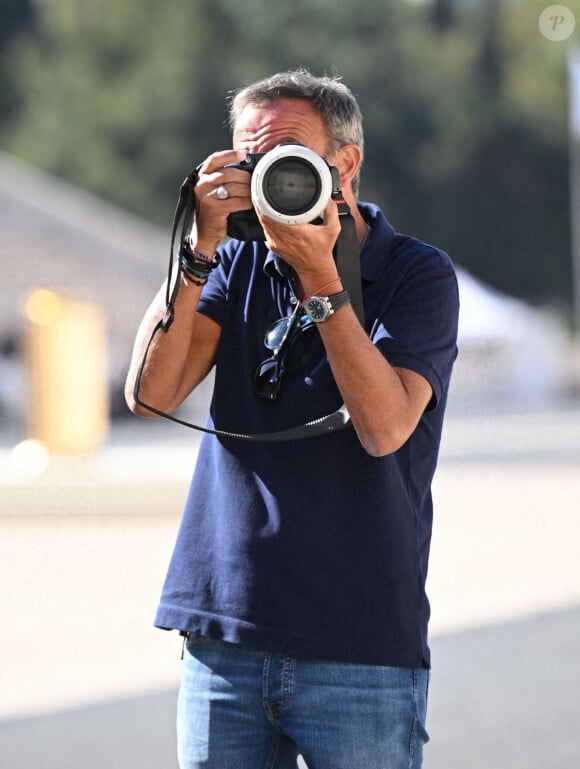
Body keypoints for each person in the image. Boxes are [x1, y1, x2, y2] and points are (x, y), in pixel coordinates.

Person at [125, 69, 459, 769]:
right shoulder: (234, 260)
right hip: (226, 636)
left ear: (347, 162)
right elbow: (151, 394)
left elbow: (385, 427)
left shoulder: (415, 275)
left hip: (360, 644)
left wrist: (324, 286)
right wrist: (196, 251)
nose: (271, 176)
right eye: (253, 161)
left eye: (289, 156)